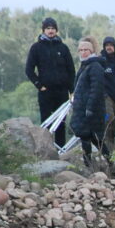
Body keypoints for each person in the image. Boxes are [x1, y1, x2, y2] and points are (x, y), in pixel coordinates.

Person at [25, 17, 75, 148]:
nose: (51, 31)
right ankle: (45, 150)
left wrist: (72, 90)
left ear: (56, 30)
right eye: (48, 28)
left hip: (62, 92)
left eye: (53, 28)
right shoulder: (36, 48)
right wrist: (39, 85)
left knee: (61, 124)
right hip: (46, 92)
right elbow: (29, 70)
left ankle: (60, 151)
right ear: (43, 30)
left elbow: (71, 70)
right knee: (46, 123)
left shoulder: (63, 48)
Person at [69, 37, 112, 172]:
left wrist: (90, 107)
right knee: (88, 137)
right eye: (80, 50)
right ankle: (98, 164)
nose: (83, 52)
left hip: (91, 109)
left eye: (86, 50)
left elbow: (96, 89)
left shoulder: (95, 67)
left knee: (93, 137)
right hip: (81, 107)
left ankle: (99, 164)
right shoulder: (85, 65)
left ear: (92, 50)